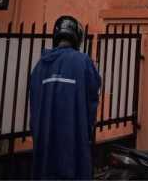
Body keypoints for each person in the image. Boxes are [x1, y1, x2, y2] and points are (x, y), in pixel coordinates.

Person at [30, 16, 102, 180]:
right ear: (77, 37)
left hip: (45, 145)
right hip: (73, 145)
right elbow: (92, 98)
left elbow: (34, 106)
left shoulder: (40, 66)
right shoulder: (83, 62)